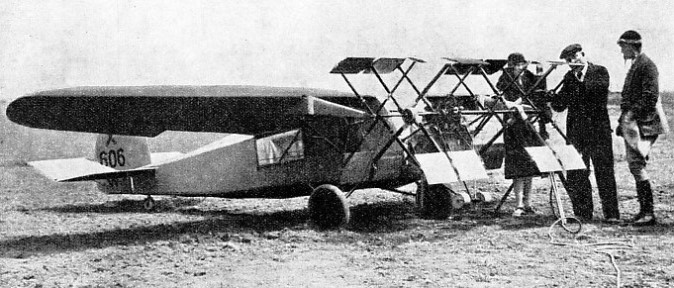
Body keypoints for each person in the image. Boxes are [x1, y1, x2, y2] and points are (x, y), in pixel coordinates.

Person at [550, 44, 620, 223]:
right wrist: (550, 97)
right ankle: (582, 213)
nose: (573, 61)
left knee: (604, 172)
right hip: (577, 133)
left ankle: (611, 214)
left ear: (583, 54)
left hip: (598, 133)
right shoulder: (569, 77)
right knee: (576, 172)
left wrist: (574, 82)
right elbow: (561, 105)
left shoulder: (599, 72)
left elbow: (593, 93)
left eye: (575, 57)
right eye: (569, 60)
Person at [616, 30, 665, 226]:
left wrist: (630, 115)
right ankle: (645, 211)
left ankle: (648, 213)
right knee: (636, 165)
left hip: (644, 124)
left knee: (636, 164)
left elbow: (650, 97)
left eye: (623, 47)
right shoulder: (638, 65)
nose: (621, 52)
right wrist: (624, 119)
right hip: (636, 122)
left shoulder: (646, 66)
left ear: (631, 46)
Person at [496, 52, 547, 217]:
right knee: (516, 167)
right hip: (513, 127)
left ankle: (528, 203)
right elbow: (501, 97)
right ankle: (518, 204)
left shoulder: (531, 78)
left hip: (529, 126)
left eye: (519, 65)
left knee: (529, 167)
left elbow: (539, 95)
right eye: (513, 66)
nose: (516, 68)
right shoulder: (504, 79)